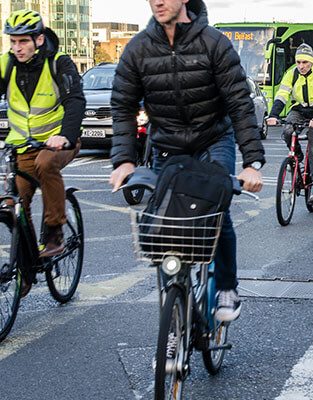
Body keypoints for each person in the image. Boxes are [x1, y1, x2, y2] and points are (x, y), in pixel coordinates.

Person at [108, 0, 265, 322]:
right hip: (166, 145)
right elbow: (122, 106)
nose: (158, 1)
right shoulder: (138, 48)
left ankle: (226, 287)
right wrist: (123, 160)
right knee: (163, 220)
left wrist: (252, 162)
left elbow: (239, 103)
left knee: (215, 209)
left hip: (213, 140)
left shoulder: (213, 43)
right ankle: (175, 306)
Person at [0, 9, 85, 295]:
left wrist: (66, 135)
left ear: (38, 39)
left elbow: (75, 100)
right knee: (14, 205)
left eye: (23, 41)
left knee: (46, 163)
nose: (17, 48)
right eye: (12, 42)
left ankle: (55, 232)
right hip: (22, 146)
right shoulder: (4, 65)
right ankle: (27, 266)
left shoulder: (58, 63)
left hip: (58, 143)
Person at [267, 44, 313, 206]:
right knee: (288, 130)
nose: (301, 66)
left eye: (305, 62)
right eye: (298, 62)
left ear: (311, 61)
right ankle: (297, 157)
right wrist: (274, 115)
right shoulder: (291, 74)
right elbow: (282, 95)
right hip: (299, 110)